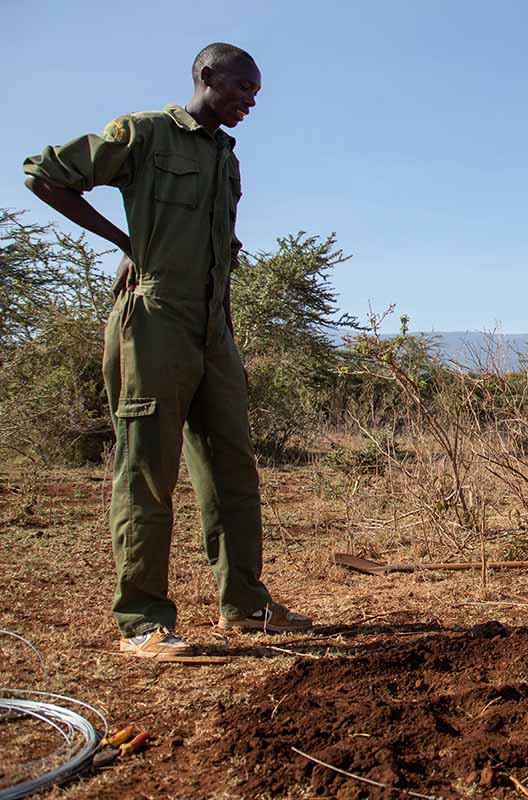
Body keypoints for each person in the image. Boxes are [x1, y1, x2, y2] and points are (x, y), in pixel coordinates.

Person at [22, 43, 312, 659]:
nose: (249, 102)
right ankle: (143, 620)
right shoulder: (146, 134)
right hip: (154, 320)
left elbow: (217, 242)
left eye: (255, 94)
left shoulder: (227, 157)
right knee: (147, 472)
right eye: (241, 89)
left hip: (214, 328)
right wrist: (126, 239)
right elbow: (44, 172)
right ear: (206, 77)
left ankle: (246, 603)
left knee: (233, 467)